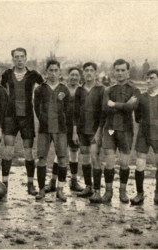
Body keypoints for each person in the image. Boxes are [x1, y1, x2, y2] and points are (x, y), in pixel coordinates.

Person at [0, 47, 44, 195]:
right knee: (8, 151)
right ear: (12, 59)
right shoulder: (7, 74)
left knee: (29, 152)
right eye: (16, 57)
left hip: (27, 117)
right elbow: (0, 91)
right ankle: (4, 183)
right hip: (10, 116)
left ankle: (30, 184)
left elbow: (45, 89)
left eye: (22, 57)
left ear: (26, 58)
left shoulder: (33, 75)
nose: (19, 59)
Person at [102, 59, 141, 203]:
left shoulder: (134, 90)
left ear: (128, 72)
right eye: (117, 70)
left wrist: (115, 104)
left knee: (124, 163)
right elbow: (105, 107)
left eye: (122, 70)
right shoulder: (109, 89)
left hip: (125, 130)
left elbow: (132, 107)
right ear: (114, 71)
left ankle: (122, 192)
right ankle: (108, 192)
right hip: (110, 129)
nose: (120, 73)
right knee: (109, 163)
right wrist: (124, 105)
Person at [34, 59, 71, 202]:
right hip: (44, 128)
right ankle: (41, 190)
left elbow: (67, 110)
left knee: (62, 159)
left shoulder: (64, 89)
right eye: (51, 70)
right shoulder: (40, 89)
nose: (54, 73)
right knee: (42, 159)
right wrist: (44, 119)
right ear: (46, 72)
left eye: (56, 70)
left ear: (60, 72)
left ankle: (60, 190)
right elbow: (36, 108)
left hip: (60, 129)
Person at [45, 67, 83, 193]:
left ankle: (73, 181)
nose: (74, 77)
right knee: (60, 153)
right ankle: (52, 182)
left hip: (77, 126)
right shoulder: (63, 89)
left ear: (80, 77)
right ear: (67, 76)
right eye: (72, 74)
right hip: (62, 125)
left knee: (74, 152)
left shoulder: (81, 91)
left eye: (76, 75)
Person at [74, 62, 105, 203]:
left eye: (91, 70)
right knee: (85, 158)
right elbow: (75, 112)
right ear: (83, 72)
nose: (88, 73)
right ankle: (88, 187)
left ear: (95, 72)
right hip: (82, 129)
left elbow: (103, 113)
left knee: (94, 158)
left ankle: (98, 191)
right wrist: (75, 131)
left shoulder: (101, 89)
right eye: (86, 70)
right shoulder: (79, 90)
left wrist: (99, 131)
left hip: (94, 129)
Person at [130, 69, 158, 205]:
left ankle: (157, 194)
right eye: (147, 78)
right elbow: (137, 117)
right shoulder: (141, 97)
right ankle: (140, 194)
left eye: (152, 78)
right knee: (140, 163)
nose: (148, 81)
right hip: (143, 133)